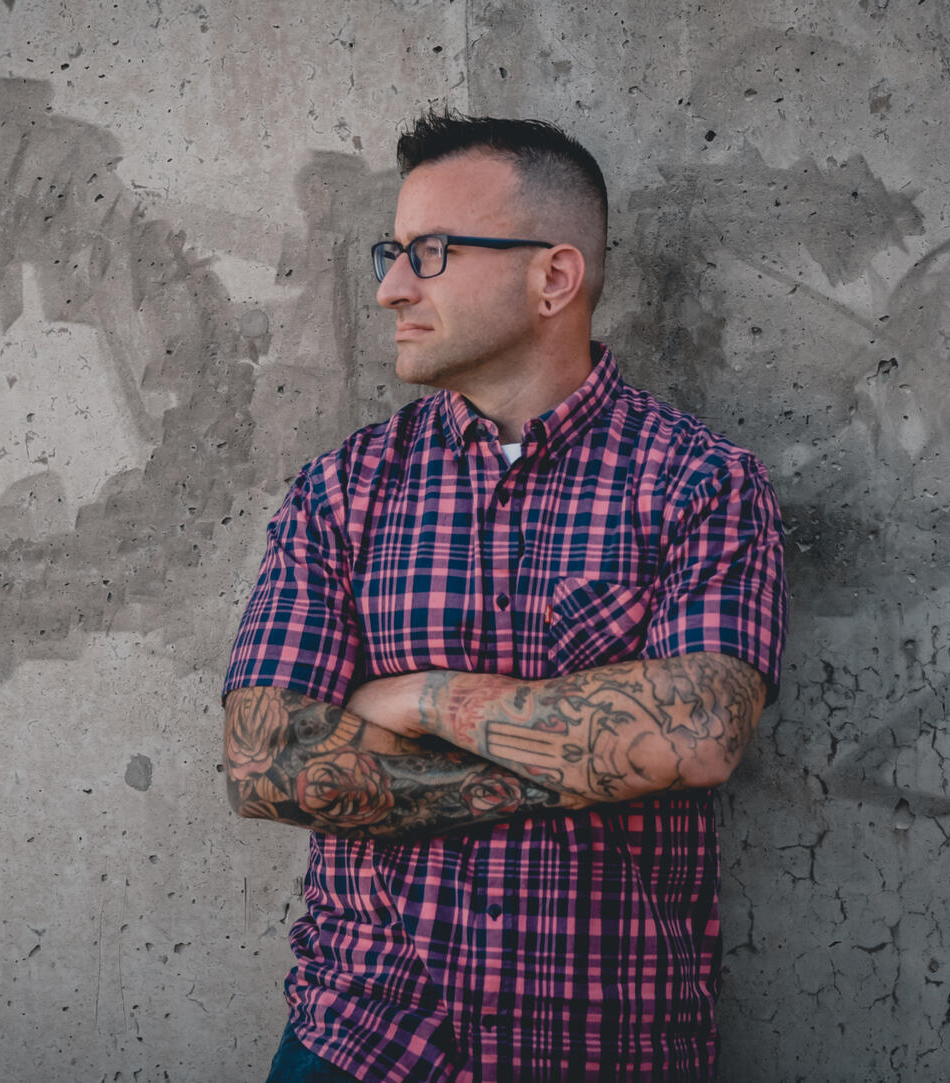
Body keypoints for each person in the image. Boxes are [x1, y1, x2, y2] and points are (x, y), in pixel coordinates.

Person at [222, 110, 787, 1082]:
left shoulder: (701, 483)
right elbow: (267, 764)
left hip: (606, 1041)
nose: (391, 287)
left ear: (554, 278)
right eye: (392, 253)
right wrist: (590, 760)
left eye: (431, 253)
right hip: (366, 1039)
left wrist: (418, 700)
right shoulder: (344, 490)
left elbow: (694, 733)